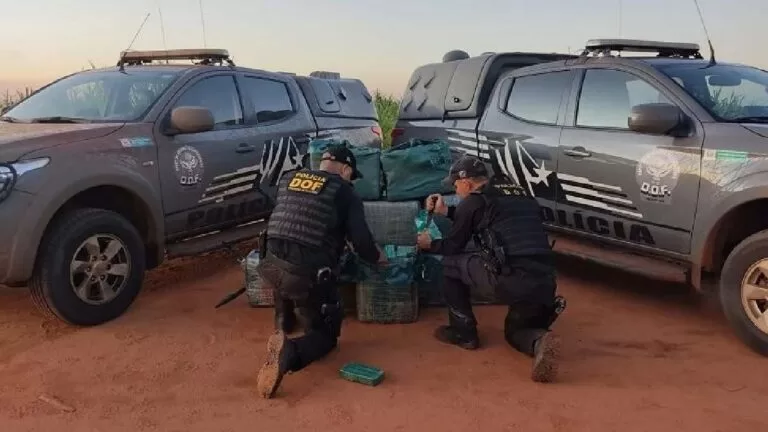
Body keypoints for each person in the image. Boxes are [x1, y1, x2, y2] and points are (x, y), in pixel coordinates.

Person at [416, 155, 566, 383]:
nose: (456, 191)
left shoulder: (474, 201)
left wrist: (428, 245)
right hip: (544, 281)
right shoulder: (521, 196)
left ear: (466, 182)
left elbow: (452, 246)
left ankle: (463, 333)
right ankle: (539, 341)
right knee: (515, 331)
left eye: (456, 185)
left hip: (509, 279)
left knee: (450, 265)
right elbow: (486, 218)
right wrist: (447, 212)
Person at [254, 144, 387, 399]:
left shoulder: (290, 178)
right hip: (304, 277)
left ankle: (283, 321)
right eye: (352, 175)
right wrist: (377, 257)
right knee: (326, 336)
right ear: (347, 169)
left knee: (291, 256)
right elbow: (361, 242)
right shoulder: (344, 192)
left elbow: (287, 222)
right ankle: (291, 353)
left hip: (269, 266)